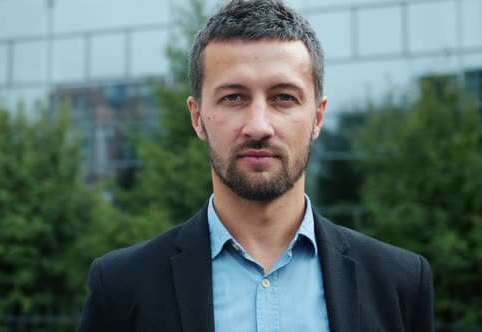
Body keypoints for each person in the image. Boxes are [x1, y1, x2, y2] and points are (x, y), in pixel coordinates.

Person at [77, 0, 434, 331]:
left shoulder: (399, 283)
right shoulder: (122, 286)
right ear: (197, 117)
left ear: (318, 117)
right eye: (234, 97)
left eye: (283, 97)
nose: (259, 126)